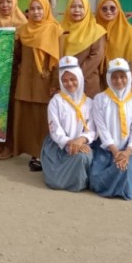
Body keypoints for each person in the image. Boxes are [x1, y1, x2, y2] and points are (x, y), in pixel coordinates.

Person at [12, 0, 63, 171]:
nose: (36, 12)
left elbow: (58, 59)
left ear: (46, 9)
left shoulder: (55, 29)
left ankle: (44, 154)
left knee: (43, 120)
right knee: (28, 118)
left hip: (44, 81)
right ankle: (33, 152)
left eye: (39, 8)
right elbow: (18, 56)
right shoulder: (23, 30)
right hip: (26, 80)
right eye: (32, 8)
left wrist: (55, 84)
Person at [90, 58, 132, 200]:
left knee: (125, 177)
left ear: (128, 77)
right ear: (109, 78)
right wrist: (115, 151)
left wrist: (127, 152)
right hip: (106, 149)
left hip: (129, 150)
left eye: (122, 77)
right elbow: (101, 128)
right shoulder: (100, 99)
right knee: (96, 182)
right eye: (114, 77)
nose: (118, 81)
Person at [40, 56, 95, 192]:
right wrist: (70, 142)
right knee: (54, 182)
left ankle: (78, 183)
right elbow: (55, 130)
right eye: (64, 81)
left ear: (80, 79)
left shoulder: (89, 103)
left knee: (83, 157)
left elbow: (92, 129)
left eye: (73, 79)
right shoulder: (56, 101)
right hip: (58, 146)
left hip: (82, 144)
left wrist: (81, 140)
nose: (69, 84)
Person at [0, 0, 27, 161]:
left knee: (10, 111)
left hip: (14, 73)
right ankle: (0, 145)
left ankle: (10, 145)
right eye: (2, 2)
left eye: (9, 2)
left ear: (15, 3)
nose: (5, 5)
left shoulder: (23, 25)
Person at [60, 0, 106, 99]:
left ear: (87, 9)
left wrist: (74, 76)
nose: (76, 10)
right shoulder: (60, 29)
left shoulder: (96, 30)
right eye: (73, 6)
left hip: (87, 82)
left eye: (81, 7)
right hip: (64, 82)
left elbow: (96, 57)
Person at [95, 0, 132, 92]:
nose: (108, 11)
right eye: (104, 9)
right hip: (100, 80)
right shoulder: (93, 29)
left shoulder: (128, 30)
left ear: (118, 9)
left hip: (122, 79)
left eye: (112, 8)